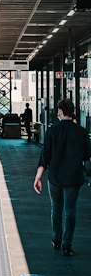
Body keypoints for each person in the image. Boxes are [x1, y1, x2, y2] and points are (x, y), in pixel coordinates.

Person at [33, 98, 90, 257]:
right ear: (72, 112)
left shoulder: (52, 131)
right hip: (74, 177)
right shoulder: (81, 131)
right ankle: (67, 244)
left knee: (56, 209)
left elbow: (45, 156)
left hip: (55, 177)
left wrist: (38, 177)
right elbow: (87, 155)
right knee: (70, 210)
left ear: (60, 112)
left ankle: (56, 239)